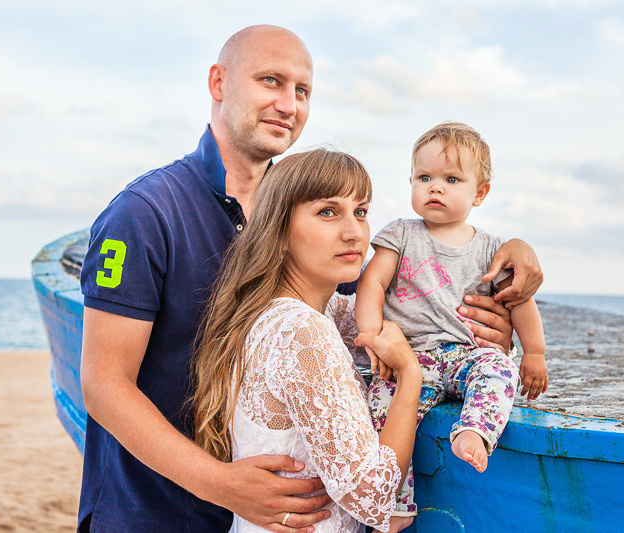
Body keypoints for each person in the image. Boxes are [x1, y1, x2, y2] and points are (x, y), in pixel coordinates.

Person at [78, 23, 542, 532]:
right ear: (218, 83)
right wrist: (219, 482)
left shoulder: (314, 229)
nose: (288, 103)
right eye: (270, 81)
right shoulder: (145, 213)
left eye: (302, 91)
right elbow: (103, 384)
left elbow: (382, 321)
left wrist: (494, 287)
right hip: (151, 510)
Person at [193, 148, 423, 533]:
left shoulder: (283, 311)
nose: (354, 232)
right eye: (328, 212)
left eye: (361, 211)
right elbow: (374, 498)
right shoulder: (303, 332)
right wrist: (411, 376)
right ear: (279, 232)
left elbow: (400, 320)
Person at [355, 122, 549, 528]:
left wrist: (534, 353)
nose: (435, 187)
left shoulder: (493, 250)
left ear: (480, 193)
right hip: (411, 358)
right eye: (424, 178)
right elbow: (371, 283)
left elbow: (520, 302)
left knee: (498, 369)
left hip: (467, 355)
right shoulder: (401, 234)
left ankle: (474, 430)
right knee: (381, 413)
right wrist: (372, 334)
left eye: (451, 179)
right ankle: (392, 503)